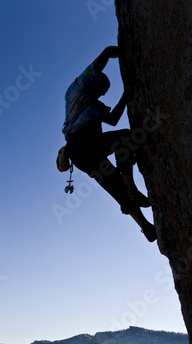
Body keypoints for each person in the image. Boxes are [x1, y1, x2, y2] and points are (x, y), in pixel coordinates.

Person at [63, 46, 157, 242]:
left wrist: (125, 96)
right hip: (85, 144)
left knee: (114, 184)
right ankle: (131, 187)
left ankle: (146, 227)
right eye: (102, 90)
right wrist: (125, 50)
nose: (103, 95)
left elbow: (113, 118)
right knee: (125, 137)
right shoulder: (77, 89)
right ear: (95, 84)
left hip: (82, 156)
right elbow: (106, 53)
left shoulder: (93, 104)